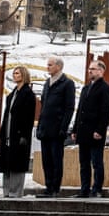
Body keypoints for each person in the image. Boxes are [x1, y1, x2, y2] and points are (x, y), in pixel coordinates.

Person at [71, 59, 109, 198]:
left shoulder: (106, 88)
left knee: (96, 162)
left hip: (95, 132)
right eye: (89, 68)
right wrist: (74, 130)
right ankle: (84, 189)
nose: (90, 71)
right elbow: (80, 111)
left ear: (101, 71)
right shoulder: (85, 88)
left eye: (93, 69)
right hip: (83, 132)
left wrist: (100, 130)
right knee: (84, 163)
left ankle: (97, 189)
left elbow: (106, 112)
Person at [35, 56, 75, 198]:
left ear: (58, 66)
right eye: (47, 64)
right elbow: (43, 106)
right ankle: (48, 186)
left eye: (50, 65)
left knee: (56, 159)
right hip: (45, 128)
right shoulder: (47, 83)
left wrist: (63, 128)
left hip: (57, 128)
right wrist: (39, 126)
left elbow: (69, 108)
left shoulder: (67, 83)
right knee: (46, 160)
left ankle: (55, 188)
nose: (48, 67)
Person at [0, 66, 36, 198]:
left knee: (17, 164)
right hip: (9, 133)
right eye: (13, 73)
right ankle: (7, 190)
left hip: (19, 134)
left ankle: (16, 191)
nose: (15, 75)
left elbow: (29, 118)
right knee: (7, 163)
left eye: (17, 73)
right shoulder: (11, 95)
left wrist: (24, 135)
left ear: (23, 75)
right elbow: (7, 114)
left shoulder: (28, 94)